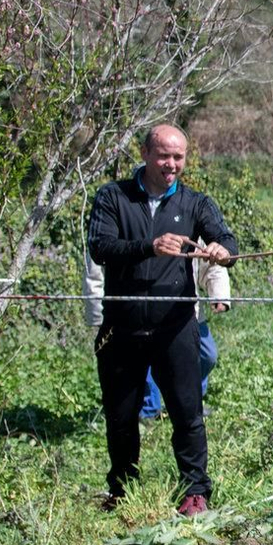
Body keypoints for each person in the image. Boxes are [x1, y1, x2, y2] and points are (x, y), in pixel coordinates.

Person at [86, 125, 237, 515]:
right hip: (123, 325)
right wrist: (149, 247)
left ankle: (195, 491)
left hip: (175, 326)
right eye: (164, 156)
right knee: (121, 416)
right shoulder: (113, 197)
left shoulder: (195, 203)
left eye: (179, 157)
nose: (172, 165)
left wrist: (222, 251)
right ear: (145, 153)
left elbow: (227, 240)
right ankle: (121, 489)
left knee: (188, 413)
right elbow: (100, 247)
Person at [83, 242, 231, 418]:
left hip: (185, 311)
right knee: (144, 359)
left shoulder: (190, 216)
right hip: (138, 311)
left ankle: (186, 400)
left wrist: (219, 294)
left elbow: (210, 262)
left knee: (207, 354)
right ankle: (147, 411)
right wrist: (99, 315)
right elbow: (95, 271)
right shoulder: (117, 220)